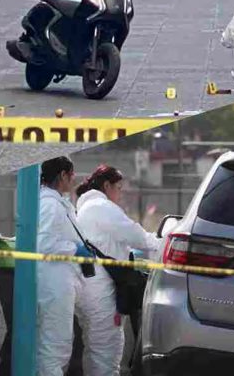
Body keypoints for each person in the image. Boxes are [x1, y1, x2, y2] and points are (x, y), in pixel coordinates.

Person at [75, 165, 161, 376]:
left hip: (90, 286)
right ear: (107, 185)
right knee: (107, 352)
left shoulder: (85, 207)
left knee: (94, 350)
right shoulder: (100, 207)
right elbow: (135, 235)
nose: (120, 194)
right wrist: (162, 243)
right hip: (101, 292)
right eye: (119, 188)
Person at [36, 156, 94, 376]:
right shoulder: (50, 205)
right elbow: (43, 244)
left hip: (59, 282)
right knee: (54, 348)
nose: (73, 179)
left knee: (58, 345)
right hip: (53, 283)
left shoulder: (56, 202)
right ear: (62, 175)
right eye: (71, 174)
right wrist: (75, 249)